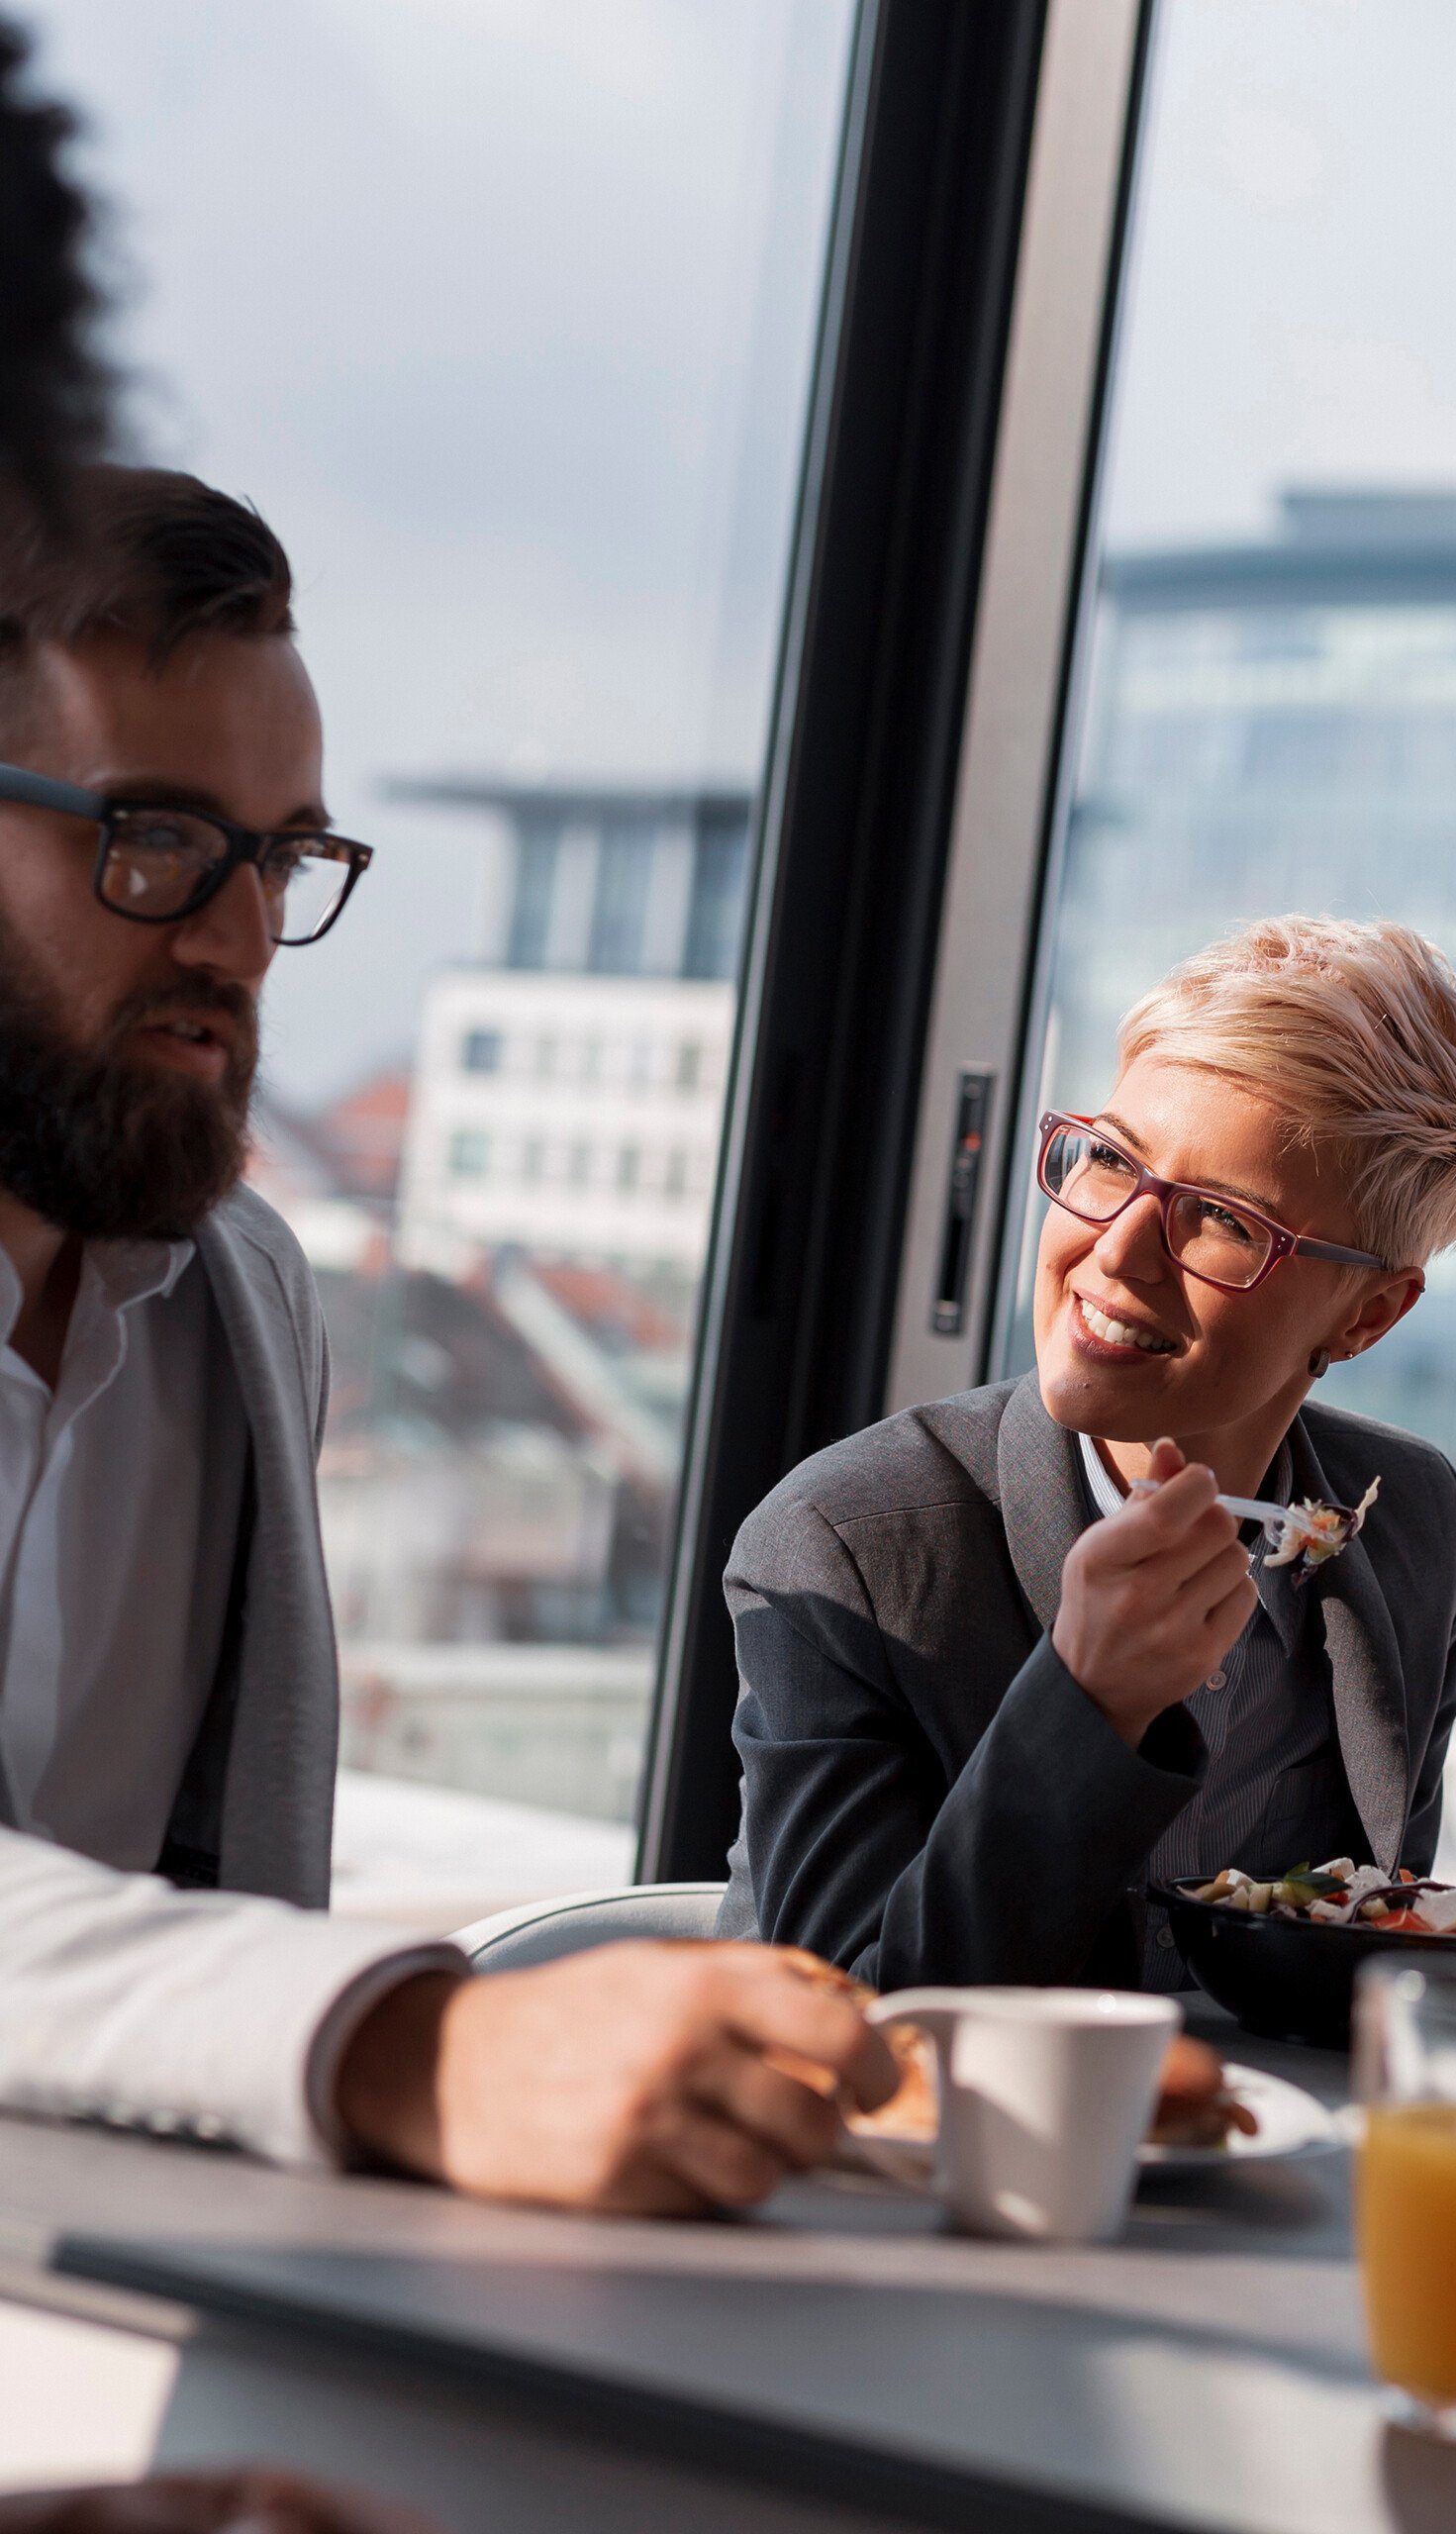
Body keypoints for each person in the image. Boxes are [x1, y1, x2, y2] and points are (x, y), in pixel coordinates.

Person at [0, 460, 901, 2204]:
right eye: (158, 840)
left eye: (285, 855)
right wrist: (416, 2046)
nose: (247, 936)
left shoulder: (244, 1306)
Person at [720, 916, 1456, 1987]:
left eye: (1223, 1222)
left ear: (1368, 1317)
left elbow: (1368, 1944)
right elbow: (840, 2036)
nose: (1117, 1247)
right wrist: (1084, 1703)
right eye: (1109, 1160)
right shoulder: (850, 1548)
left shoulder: (1414, 1522)